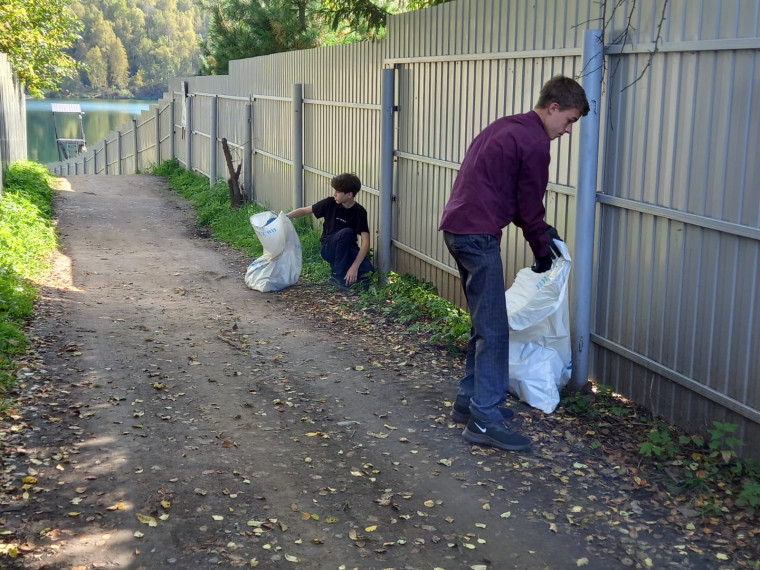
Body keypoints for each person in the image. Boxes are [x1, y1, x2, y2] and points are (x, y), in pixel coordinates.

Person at [439, 75, 590, 452]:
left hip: (457, 228)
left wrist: (539, 233)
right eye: (569, 120)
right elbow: (529, 204)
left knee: (484, 322)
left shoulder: (506, 126)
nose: (568, 130)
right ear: (553, 107)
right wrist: (542, 250)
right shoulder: (535, 141)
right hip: (477, 236)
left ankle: (468, 402)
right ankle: (484, 420)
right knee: (494, 330)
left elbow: (512, 195)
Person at [286, 173, 374, 288]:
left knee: (368, 271)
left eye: (338, 191)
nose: (334, 194)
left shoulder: (360, 211)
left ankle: (347, 275)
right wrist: (284, 217)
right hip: (329, 247)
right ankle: (337, 276)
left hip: (347, 249)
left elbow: (365, 243)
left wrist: (354, 267)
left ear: (349, 195)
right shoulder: (330, 203)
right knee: (347, 232)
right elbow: (304, 210)